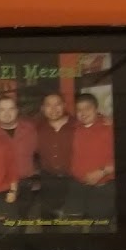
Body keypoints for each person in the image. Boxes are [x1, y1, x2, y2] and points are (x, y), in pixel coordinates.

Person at [67, 92, 116, 223]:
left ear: (96, 109)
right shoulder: (75, 128)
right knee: (72, 223)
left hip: (103, 188)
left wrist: (102, 171)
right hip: (77, 186)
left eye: (87, 108)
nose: (83, 113)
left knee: (99, 225)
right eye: (79, 109)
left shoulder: (110, 128)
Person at [33, 91, 75, 222]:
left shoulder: (78, 125)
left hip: (74, 181)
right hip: (48, 181)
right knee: (48, 222)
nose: (53, 109)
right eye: (48, 105)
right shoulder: (36, 128)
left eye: (57, 104)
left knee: (72, 222)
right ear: (42, 108)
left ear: (64, 105)